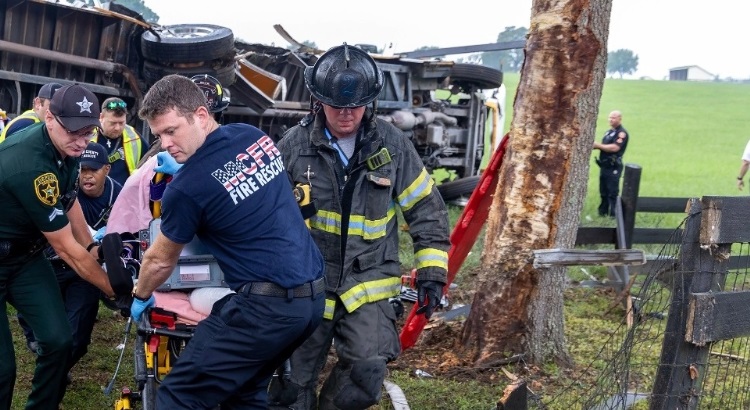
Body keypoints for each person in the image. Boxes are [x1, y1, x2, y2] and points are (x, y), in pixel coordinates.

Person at [269, 44, 451, 410]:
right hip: (307, 283)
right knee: (288, 383)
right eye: (337, 105)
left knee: (366, 373)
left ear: (370, 102)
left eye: (355, 105)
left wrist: (433, 271)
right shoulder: (294, 145)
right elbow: (266, 215)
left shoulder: (394, 146)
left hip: (368, 284)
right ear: (319, 101)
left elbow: (426, 208)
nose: (346, 114)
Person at [129, 74, 325, 408]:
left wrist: (141, 294)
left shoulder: (185, 189)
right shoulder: (254, 137)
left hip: (265, 310)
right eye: (159, 134)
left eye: (171, 130)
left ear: (201, 116)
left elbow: (160, 260)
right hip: (312, 300)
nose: (164, 144)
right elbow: (232, 182)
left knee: (177, 397)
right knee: (244, 392)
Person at [0, 84, 129, 409]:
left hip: (24, 256)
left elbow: (68, 201)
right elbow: (67, 251)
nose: (81, 140)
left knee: (59, 342)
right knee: (3, 369)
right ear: (49, 117)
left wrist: (92, 246)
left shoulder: (68, 150)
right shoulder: (32, 165)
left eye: (88, 132)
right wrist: (113, 290)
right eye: (73, 131)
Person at [18, 142, 123, 386]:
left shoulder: (118, 196)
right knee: (39, 322)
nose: (86, 175)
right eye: (82, 169)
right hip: (50, 262)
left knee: (77, 336)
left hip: (85, 269)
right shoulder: (61, 189)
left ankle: (56, 370)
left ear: (107, 169)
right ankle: (42, 349)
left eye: (93, 170)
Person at [91, 97, 148, 186]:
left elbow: (150, 161)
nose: (117, 128)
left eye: (121, 123)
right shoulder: (87, 135)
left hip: (124, 195)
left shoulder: (134, 137)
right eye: (113, 123)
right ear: (101, 117)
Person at [593, 110, 629, 217]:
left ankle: (614, 215)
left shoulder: (621, 133)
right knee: (603, 191)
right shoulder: (609, 132)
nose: (611, 119)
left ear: (619, 119)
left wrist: (598, 145)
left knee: (612, 191)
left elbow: (615, 147)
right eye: (610, 117)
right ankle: (602, 213)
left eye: (614, 117)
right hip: (604, 165)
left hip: (613, 166)